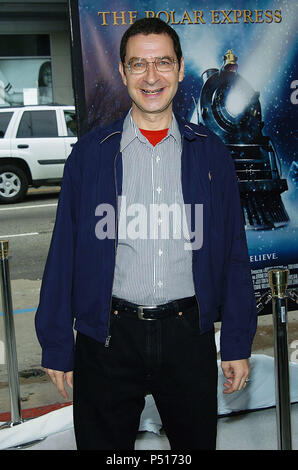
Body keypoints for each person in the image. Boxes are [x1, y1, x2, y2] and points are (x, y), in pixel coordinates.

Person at [35, 17, 257, 450]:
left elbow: (233, 251)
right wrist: (58, 343)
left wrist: (235, 340)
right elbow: (63, 253)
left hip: (187, 337)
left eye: (162, 63)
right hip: (108, 340)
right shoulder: (90, 155)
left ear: (179, 68)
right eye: (138, 64)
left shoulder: (210, 152)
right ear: (122, 71)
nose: (151, 77)